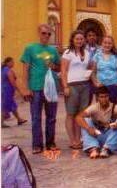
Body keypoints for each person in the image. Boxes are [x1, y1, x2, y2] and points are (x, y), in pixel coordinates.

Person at [20, 24, 61, 154]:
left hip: (51, 88)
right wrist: (26, 88)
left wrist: (53, 65)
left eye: (49, 34)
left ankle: (50, 143)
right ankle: (37, 145)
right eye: (44, 33)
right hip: (36, 87)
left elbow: (59, 68)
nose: (46, 36)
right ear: (39, 33)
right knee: (36, 118)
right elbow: (25, 70)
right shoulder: (30, 48)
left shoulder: (53, 50)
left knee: (51, 117)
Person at [61, 30, 91, 150]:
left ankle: (78, 139)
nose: (79, 41)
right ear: (72, 40)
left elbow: (88, 67)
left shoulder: (87, 53)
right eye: (77, 39)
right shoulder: (67, 53)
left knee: (80, 115)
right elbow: (64, 71)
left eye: (81, 39)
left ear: (84, 40)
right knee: (70, 114)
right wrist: (65, 87)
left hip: (84, 85)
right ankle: (72, 140)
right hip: (72, 85)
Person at [76, 86, 117, 159]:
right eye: (101, 97)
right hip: (96, 135)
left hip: (109, 136)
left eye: (106, 96)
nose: (104, 99)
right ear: (97, 98)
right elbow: (78, 117)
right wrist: (88, 128)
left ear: (109, 96)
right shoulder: (94, 107)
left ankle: (107, 149)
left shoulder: (115, 107)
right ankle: (93, 148)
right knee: (86, 120)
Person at [91, 35, 117, 104]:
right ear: (102, 44)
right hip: (101, 86)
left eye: (109, 43)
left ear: (112, 44)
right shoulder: (97, 56)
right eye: (105, 43)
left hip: (114, 86)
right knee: (100, 109)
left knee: (112, 108)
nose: (107, 45)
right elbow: (93, 72)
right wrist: (95, 83)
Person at [1, 57, 27, 128]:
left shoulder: (3, 70)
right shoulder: (8, 71)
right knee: (5, 106)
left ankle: (19, 119)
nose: (13, 63)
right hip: (7, 91)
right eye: (12, 62)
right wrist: (19, 91)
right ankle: (1, 122)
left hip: (4, 89)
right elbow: (13, 82)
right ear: (7, 63)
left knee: (13, 106)